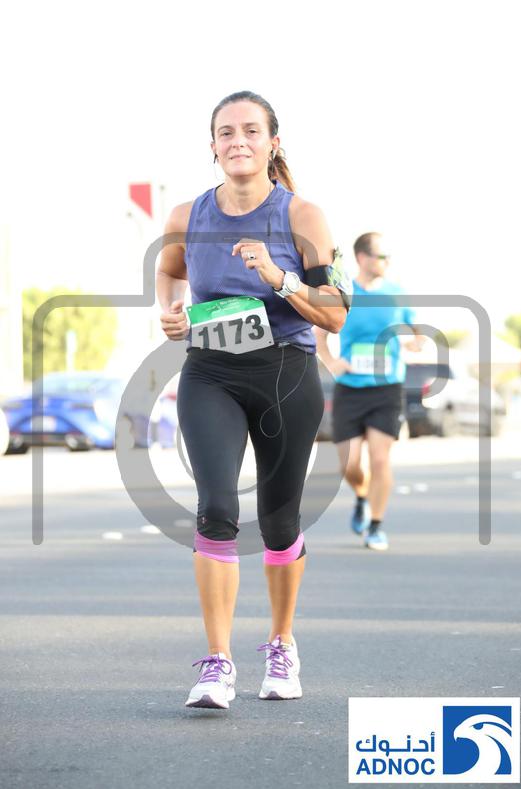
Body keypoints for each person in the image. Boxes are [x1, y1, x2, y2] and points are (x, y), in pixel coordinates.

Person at [156, 91, 351, 709]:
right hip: (210, 371)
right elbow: (169, 270)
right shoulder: (187, 215)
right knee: (215, 508)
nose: (237, 140)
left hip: (285, 373)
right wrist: (169, 310)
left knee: (278, 520)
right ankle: (217, 663)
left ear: (272, 142)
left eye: (250, 130)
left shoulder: (304, 217)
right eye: (225, 132)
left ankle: (282, 643)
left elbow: (336, 314)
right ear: (212, 146)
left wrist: (279, 277)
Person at [314, 232, 421, 552]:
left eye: (388, 256)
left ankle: (375, 525)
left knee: (379, 458)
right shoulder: (344, 292)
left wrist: (414, 343)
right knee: (349, 465)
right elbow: (320, 333)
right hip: (350, 388)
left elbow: (416, 333)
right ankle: (362, 496)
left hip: (387, 387)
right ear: (362, 258)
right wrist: (332, 362)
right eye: (381, 256)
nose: (387, 261)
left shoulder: (397, 294)